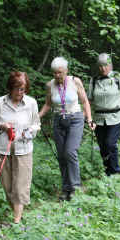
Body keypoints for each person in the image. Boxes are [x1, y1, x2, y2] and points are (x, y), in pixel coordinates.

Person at [39, 57, 95, 201]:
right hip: (58, 120)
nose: (57, 76)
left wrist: (89, 119)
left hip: (75, 118)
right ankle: (66, 189)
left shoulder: (75, 81)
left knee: (70, 152)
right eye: (55, 73)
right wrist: (37, 116)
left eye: (60, 72)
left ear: (66, 71)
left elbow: (85, 102)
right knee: (62, 156)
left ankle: (76, 188)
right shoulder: (50, 85)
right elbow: (48, 104)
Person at [0, 71, 40, 223]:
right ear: (10, 88)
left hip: (23, 150)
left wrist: (29, 132)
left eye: (22, 89)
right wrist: (2, 126)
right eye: (16, 88)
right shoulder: (0, 102)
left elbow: (36, 125)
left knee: (20, 186)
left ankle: (16, 221)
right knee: (8, 187)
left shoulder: (31, 103)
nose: (19, 92)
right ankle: (17, 214)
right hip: (3, 149)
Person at [87, 53, 120, 175]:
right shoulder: (94, 80)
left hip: (116, 116)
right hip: (99, 118)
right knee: (102, 146)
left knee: (110, 143)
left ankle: (115, 171)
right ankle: (107, 170)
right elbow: (89, 101)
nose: (103, 68)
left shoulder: (118, 77)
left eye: (105, 65)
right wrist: (88, 118)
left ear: (110, 65)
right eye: (100, 66)